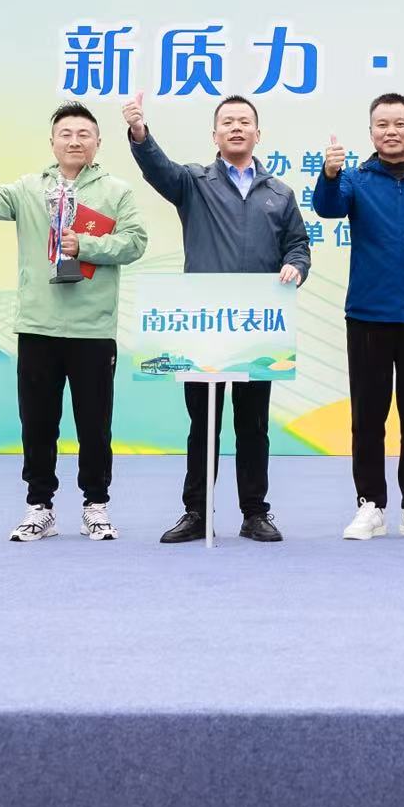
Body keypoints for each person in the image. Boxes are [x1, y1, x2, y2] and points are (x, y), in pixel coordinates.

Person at [123, 91, 310, 544]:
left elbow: (298, 245)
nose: (236, 128)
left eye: (244, 121)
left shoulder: (279, 194)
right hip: (202, 328)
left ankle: (255, 513)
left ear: (258, 133)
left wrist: (295, 266)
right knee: (203, 425)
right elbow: (158, 170)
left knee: (253, 425)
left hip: (257, 327)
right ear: (215, 134)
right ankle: (196, 513)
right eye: (228, 122)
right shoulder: (194, 182)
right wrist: (140, 133)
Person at [0, 104, 148, 542]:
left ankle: (95, 505)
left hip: (92, 328)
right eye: (66, 133)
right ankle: (39, 506)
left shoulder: (116, 192)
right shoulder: (30, 189)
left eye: (84, 133)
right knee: (38, 423)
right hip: (39, 325)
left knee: (94, 425)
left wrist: (86, 244)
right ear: (52, 142)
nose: (75, 140)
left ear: (98, 142)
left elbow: (136, 242)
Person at [312, 93, 404, 542]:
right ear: (371, 132)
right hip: (367, 315)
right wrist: (329, 173)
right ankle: (370, 505)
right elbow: (327, 207)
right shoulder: (356, 180)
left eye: (399, 123)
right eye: (382, 124)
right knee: (368, 416)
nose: (391, 131)